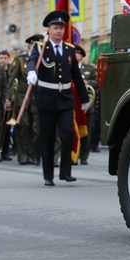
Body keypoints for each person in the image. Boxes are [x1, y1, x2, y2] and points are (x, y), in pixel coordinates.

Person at [27, 10, 88, 186]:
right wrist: (31, 72)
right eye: (55, 28)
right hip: (46, 98)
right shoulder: (40, 47)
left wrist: (83, 99)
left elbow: (76, 76)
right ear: (49, 30)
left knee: (68, 133)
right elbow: (32, 61)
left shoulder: (69, 49)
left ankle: (65, 172)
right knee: (47, 137)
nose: (59, 31)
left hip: (65, 98)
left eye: (61, 28)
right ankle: (48, 175)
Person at [10, 35, 42, 165]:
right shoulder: (20, 60)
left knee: (36, 127)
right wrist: (8, 98)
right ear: (29, 46)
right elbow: (11, 79)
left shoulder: (44, 59)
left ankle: (34, 153)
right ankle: (22, 154)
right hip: (22, 96)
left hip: (37, 96)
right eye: (34, 45)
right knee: (23, 125)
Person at [74, 45, 97, 166]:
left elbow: (97, 82)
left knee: (86, 130)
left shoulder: (89, 69)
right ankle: (74, 155)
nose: (75, 55)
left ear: (81, 56)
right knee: (73, 130)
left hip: (87, 105)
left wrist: (87, 82)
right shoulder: (69, 68)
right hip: (74, 104)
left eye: (77, 53)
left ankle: (83, 155)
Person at [0, 50, 13, 160]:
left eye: (5, 58)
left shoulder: (12, 70)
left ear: (8, 59)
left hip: (10, 101)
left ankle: (6, 151)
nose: (3, 60)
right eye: (1, 58)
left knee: (8, 127)